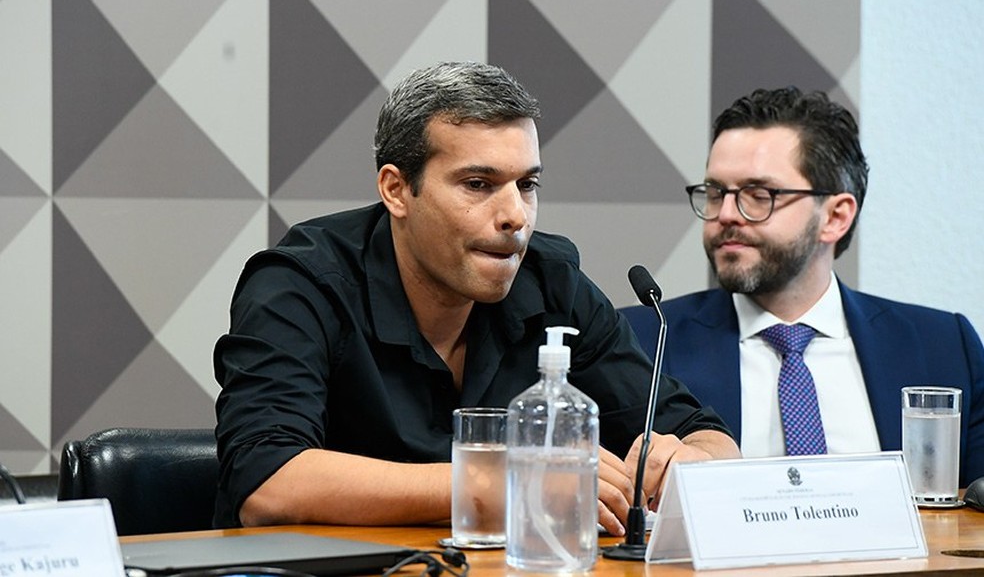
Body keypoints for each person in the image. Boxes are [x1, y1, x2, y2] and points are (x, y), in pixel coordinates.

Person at [212, 61, 739, 532]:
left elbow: (705, 436)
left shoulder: (552, 281)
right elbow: (267, 484)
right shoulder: (301, 283)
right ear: (396, 190)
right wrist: (504, 481)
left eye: (526, 185)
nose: (515, 216)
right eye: (478, 184)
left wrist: (693, 463)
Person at [639, 86, 983, 486]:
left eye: (758, 195)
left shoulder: (943, 347)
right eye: (716, 193)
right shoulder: (644, 342)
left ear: (835, 217)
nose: (727, 214)